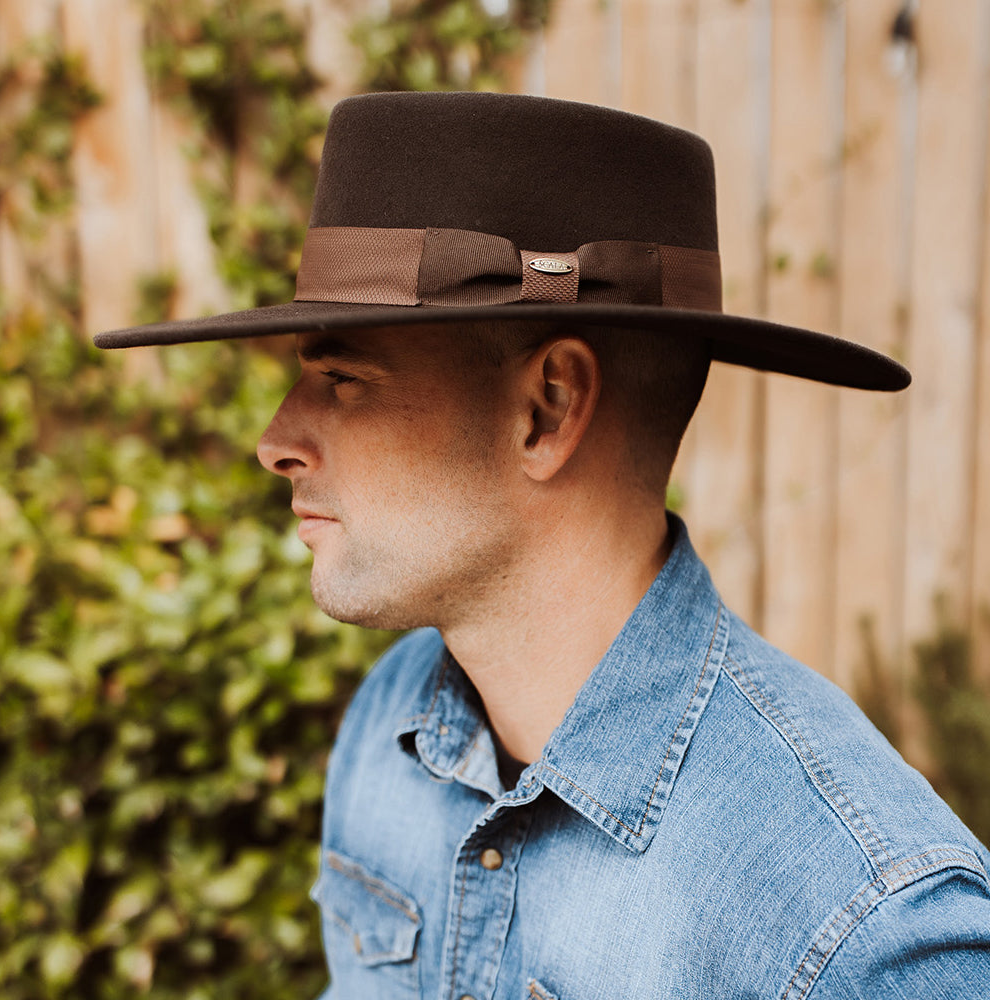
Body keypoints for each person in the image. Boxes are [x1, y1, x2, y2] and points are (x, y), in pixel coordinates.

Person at [95, 92, 990, 998]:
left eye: (341, 377)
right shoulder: (392, 720)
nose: (276, 439)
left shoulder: (859, 922)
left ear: (547, 409)